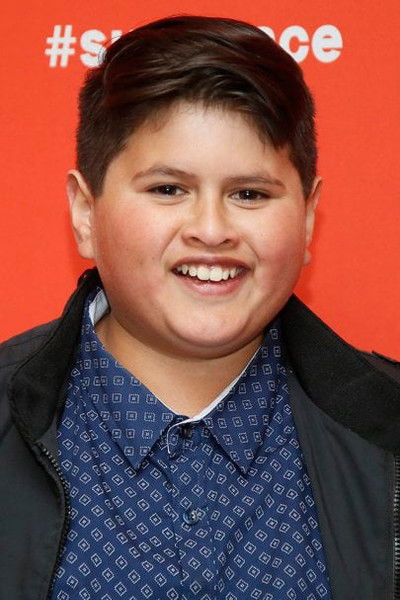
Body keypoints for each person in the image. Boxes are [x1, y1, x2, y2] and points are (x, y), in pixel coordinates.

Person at [1, 15, 399, 600]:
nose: (211, 230)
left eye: (249, 194)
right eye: (168, 189)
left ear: (308, 217)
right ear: (85, 212)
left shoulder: (387, 426)